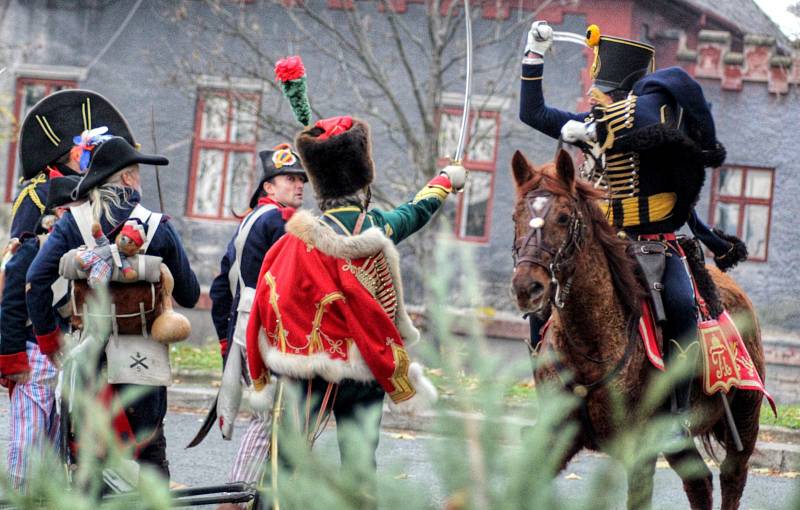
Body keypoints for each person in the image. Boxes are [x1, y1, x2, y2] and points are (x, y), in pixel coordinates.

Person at [518, 22, 747, 430]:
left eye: (600, 92)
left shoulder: (658, 132)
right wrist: (533, 55)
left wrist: (601, 128)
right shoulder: (592, 126)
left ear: (623, 100)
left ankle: (676, 408)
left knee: (680, 306)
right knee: (542, 299)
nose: (592, 98)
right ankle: (547, 395)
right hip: (604, 246)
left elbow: (660, 148)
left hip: (659, 247)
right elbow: (531, 112)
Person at [245, 116, 466, 497]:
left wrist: (263, 369)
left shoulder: (292, 242)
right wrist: (445, 180)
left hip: (307, 369)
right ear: (363, 188)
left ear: (319, 189)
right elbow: (416, 209)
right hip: (364, 369)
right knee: (360, 470)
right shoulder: (378, 227)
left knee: (285, 465)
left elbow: (268, 303)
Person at [26, 136, 200, 479]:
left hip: (88, 357)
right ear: (127, 178)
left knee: (89, 461)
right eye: (136, 172)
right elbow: (192, 294)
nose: (139, 180)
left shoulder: (71, 224)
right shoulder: (158, 225)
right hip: (143, 359)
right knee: (150, 454)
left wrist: (50, 340)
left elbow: (34, 281)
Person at [209, 143, 306, 499]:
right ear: (268, 186)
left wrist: (226, 338)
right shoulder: (279, 221)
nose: (299, 186)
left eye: (301, 180)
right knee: (270, 418)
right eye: (289, 179)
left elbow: (221, 288)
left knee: (275, 419)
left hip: (245, 329)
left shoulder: (252, 219)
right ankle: (237, 499)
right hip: (269, 333)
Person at [1, 90, 135, 299]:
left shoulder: (100, 193)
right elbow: (17, 269)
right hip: (45, 316)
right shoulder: (37, 195)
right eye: (95, 151)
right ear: (78, 154)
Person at [0, 173, 81, 491]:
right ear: (59, 213)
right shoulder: (32, 248)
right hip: (32, 354)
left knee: (55, 441)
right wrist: (12, 359)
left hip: (65, 354)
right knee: (28, 438)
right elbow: (11, 307)